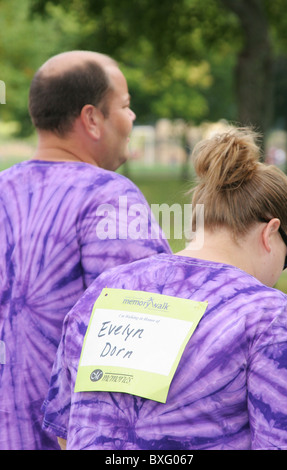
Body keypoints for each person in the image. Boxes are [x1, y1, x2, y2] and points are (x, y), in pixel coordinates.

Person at [42, 127, 287, 450]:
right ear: (271, 232)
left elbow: (65, 430)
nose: (281, 269)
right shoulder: (269, 314)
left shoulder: (103, 291)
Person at [0, 50, 171, 450]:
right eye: (126, 106)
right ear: (92, 118)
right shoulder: (110, 197)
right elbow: (146, 337)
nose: (131, 119)